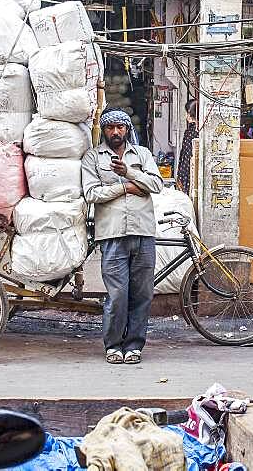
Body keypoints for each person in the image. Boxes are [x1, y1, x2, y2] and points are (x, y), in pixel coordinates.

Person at [81, 108, 164, 365]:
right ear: (104, 130)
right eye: (110, 128)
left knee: (142, 295)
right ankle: (114, 344)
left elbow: (157, 185)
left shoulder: (142, 154)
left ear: (127, 129)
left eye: (120, 127)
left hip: (143, 232)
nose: (115, 132)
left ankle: (134, 345)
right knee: (118, 295)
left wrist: (129, 172)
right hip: (112, 234)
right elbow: (92, 193)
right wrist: (126, 187)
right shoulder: (93, 158)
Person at [176, 99, 198, 197]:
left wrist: (180, 175)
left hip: (188, 171)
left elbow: (186, 155)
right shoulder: (198, 130)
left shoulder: (191, 132)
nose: (186, 116)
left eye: (187, 113)